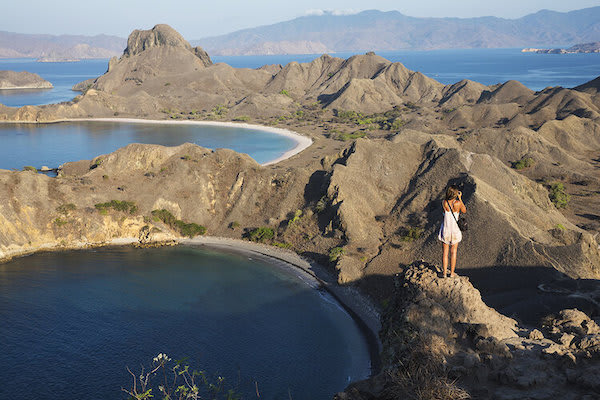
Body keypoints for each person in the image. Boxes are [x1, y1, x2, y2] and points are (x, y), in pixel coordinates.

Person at [438, 185, 466, 278]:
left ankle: (444, 273)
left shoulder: (444, 202)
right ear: (455, 193)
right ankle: (452, 273)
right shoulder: (458, 203)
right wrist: (460, 198)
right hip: (455, 231)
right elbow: (464, 210)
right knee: (453, 252)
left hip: (445, 229)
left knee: (445, 253)